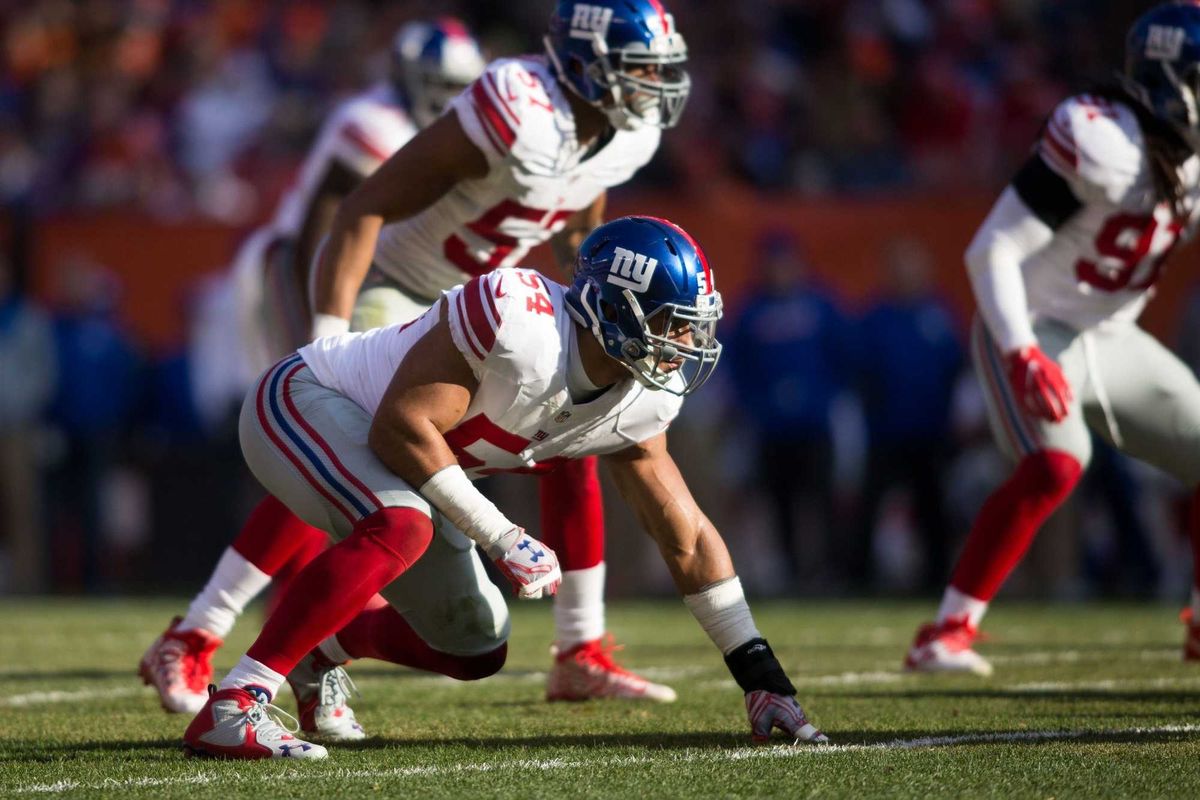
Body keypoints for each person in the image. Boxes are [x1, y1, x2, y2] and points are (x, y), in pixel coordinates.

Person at [146, 0, 689, 730]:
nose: (653, 82)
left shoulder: (612, 133)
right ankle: (198, 632)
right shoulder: (490, 110)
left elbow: (581, 223)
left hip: (462, 301)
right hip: (383, 283)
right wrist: (327, 340)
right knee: (354, 450)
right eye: (638, 67)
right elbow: (352, 214)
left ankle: (579, 647)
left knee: (578, 430)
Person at [182, 216, 828, 759]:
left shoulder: (642, 401)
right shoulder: (521, 321)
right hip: (302, 400)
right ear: (611, 308)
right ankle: (236, 701)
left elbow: (684, 535)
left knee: (474, 646)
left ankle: (318, 653)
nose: (683, 342)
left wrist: (760, 678)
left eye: (691, 324)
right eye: (669, 321)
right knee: (403, 524)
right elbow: (401, 427)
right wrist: (502, 535)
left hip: (409, 469)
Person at [139, 19, 486, 732]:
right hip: (310, 283)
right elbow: (324, 226)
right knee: (327, 458)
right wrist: (317, 337)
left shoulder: (470, 136)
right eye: (441, 86)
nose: (449, 100)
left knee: (362, 479)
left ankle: (288, 656)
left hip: (386, 298)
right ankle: (199, 634)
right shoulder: (375, 121)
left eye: (461, 88)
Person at [904, 1, 1200, 676]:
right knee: (1058, 464)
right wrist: (1019, 349)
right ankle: (944, 632)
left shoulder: (1188, 157)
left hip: (1112, 334)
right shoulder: (1105, 141)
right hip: (1033, 323)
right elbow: (991, 251)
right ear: (1173, 81)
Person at [726, 230, 849, 585]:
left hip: (814, 422)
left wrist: (826, 395)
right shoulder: (750, 309)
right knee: (779, 503)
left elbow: (841, 354)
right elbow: (738, 365)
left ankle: (828, 570)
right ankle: (792, 571)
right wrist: (751, 406)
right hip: (770, 426)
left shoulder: (820, 303)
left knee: (821, 500)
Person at [851, 239, 962, 592]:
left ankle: (938, 578)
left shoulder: (941, 314)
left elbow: (956, 369)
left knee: (933, 509)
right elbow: (860, 371)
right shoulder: (875, 317)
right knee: (869, 508)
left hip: (930, 430)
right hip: (885, 431)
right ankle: (859, 578)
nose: (904, 273)